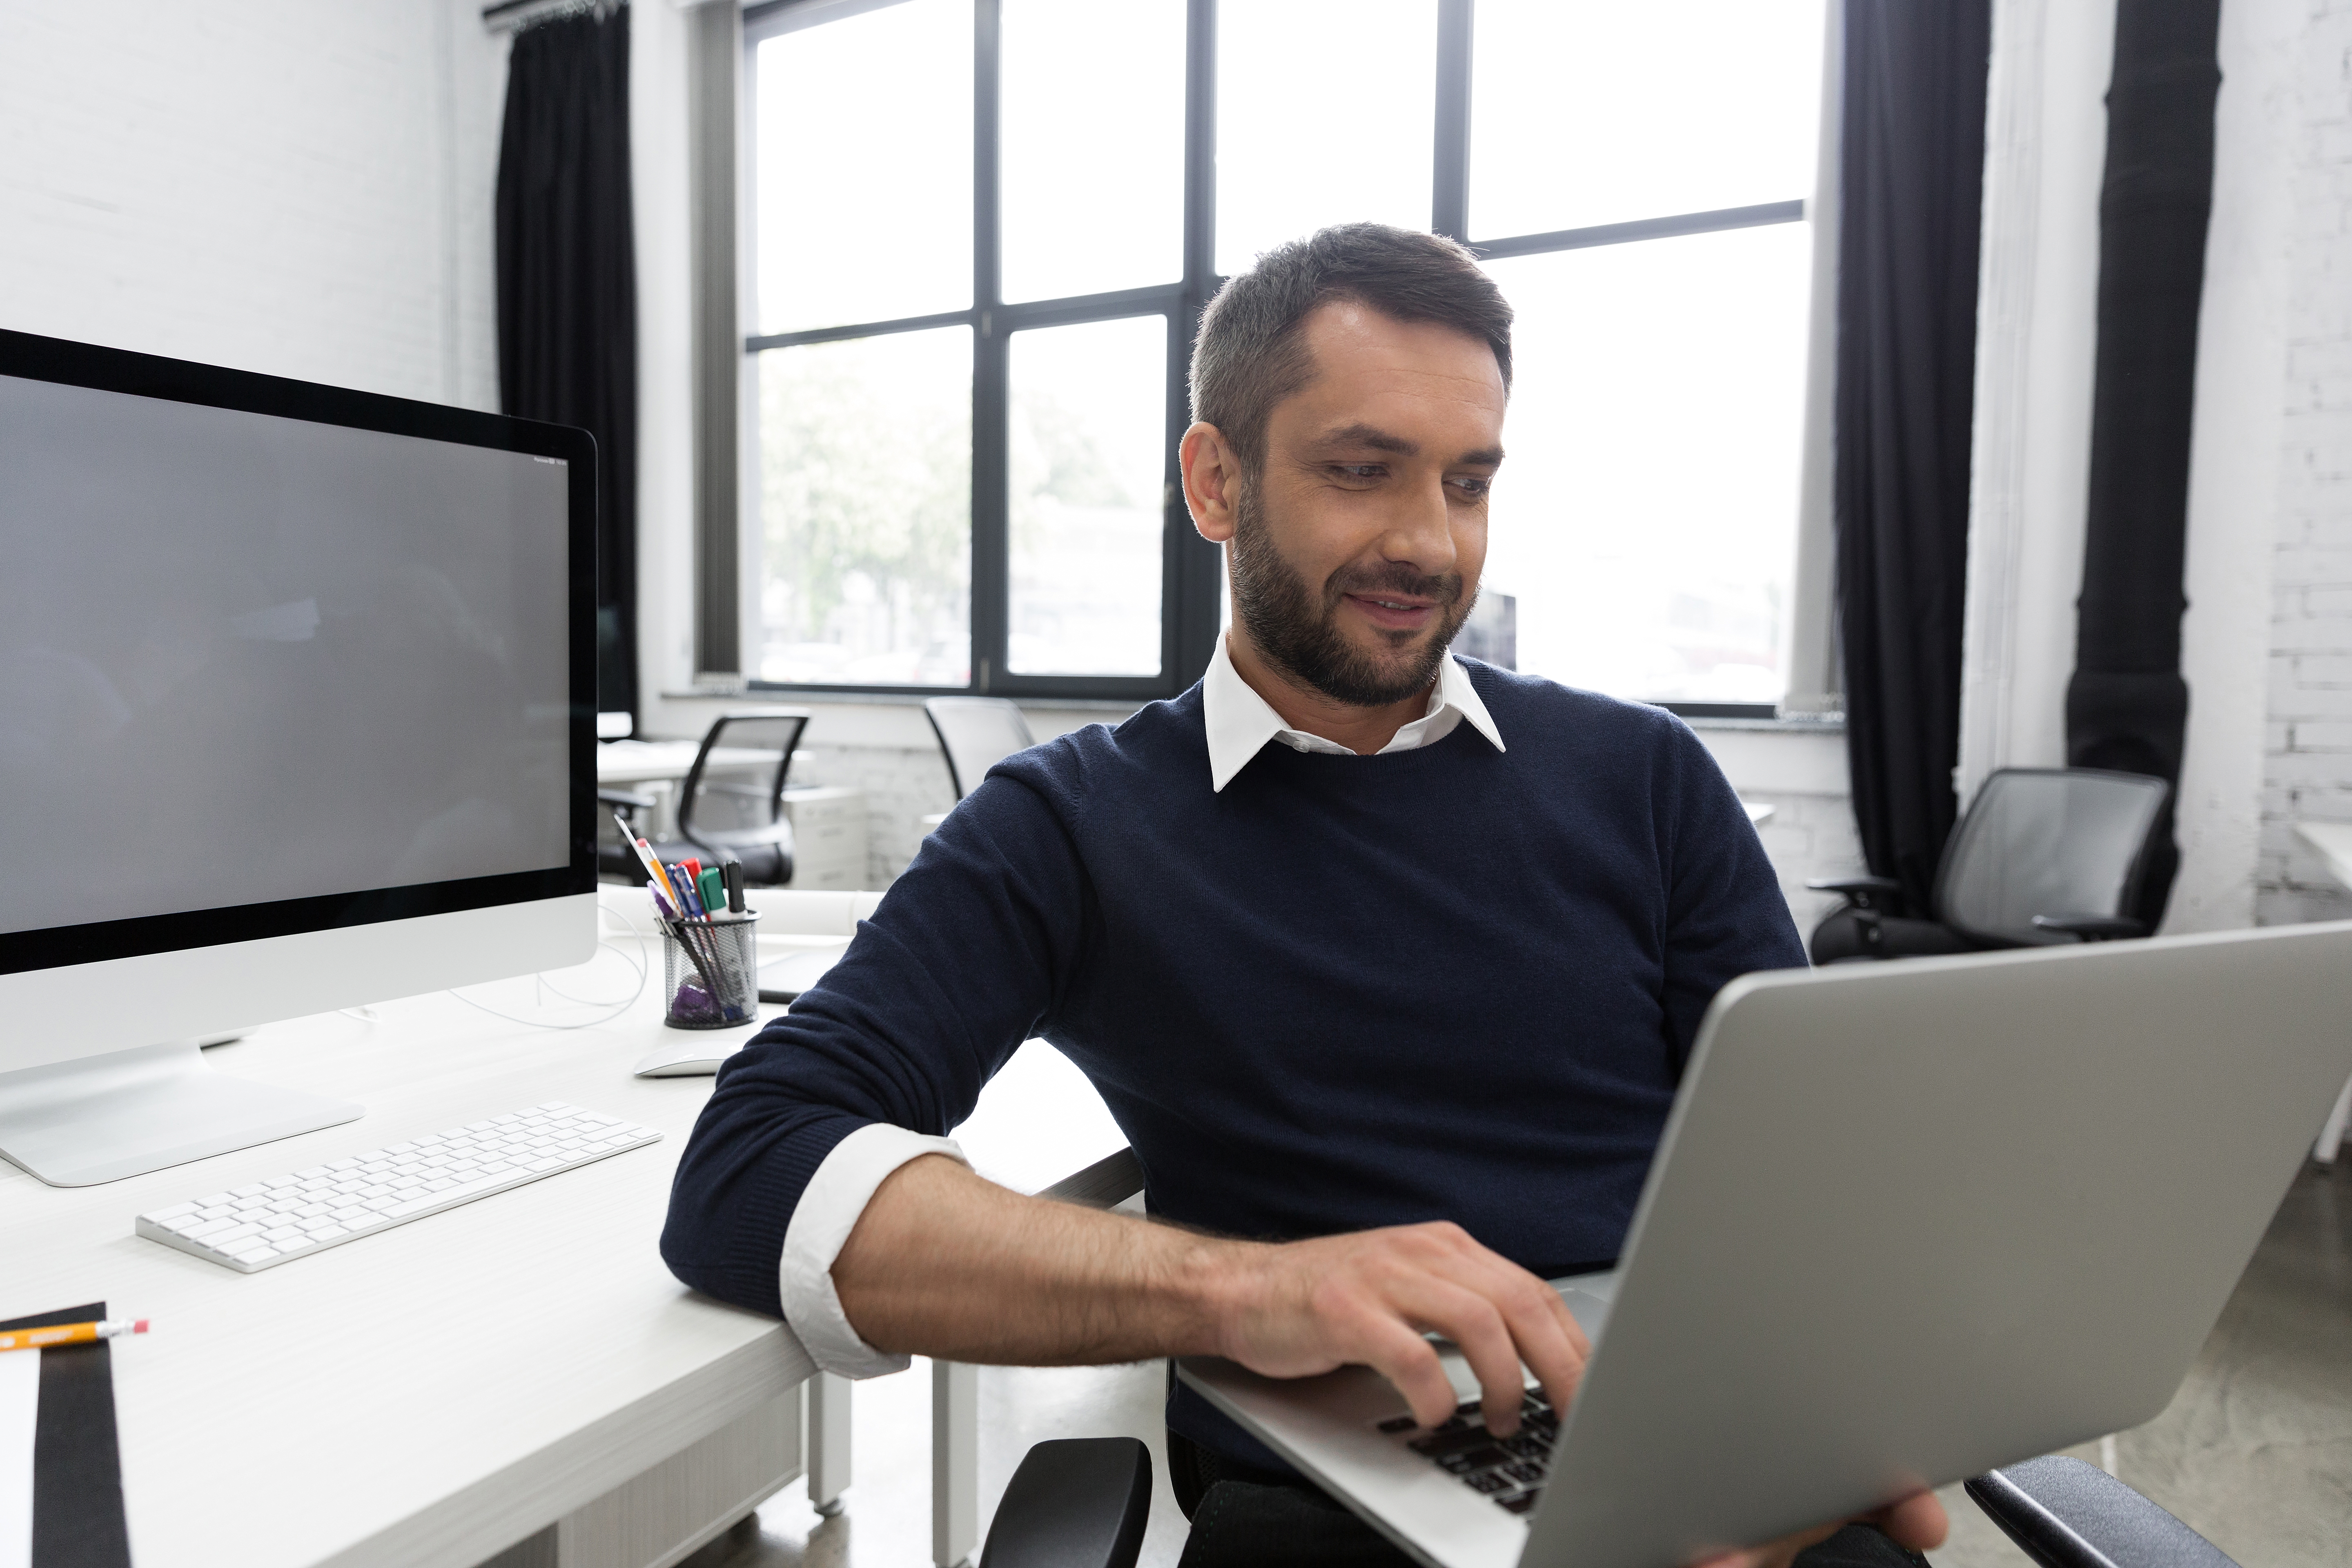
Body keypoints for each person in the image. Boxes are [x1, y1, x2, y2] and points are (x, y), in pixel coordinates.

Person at [659, 224, 1947, 1568]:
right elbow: (752, 1168)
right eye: (1360, 471)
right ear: (1215, 483)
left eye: (1468, 481)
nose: (1431, 544)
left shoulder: (1645, 778)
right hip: (1332, 1514)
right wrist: (1251, 1289)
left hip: (1676, 1456)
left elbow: (1807, 1195)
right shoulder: (1075, 823)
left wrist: (1799, 1431)